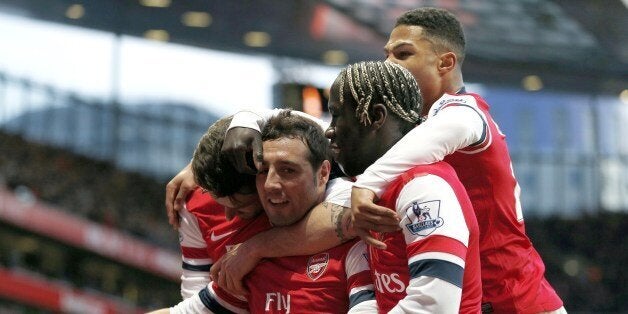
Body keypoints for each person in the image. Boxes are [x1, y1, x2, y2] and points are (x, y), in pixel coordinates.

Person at [349, 8, 565, 314]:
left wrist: (366, 185)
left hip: (515, 301)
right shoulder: (419, 128)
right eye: (387, 54)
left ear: (445, 63)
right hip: (480, 300)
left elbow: (444, 132)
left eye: (403, 54)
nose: (388, 65)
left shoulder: (465, 112)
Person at [154, 112, 376, 313]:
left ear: (323, 174)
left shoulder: (355, 204)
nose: (229, 217)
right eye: (264, 172)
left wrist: (254, 248)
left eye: (287, 171)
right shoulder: (238, 263)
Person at [325, 60, 481, 313]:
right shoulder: (377, 191)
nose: (329, 131)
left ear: (375, 117)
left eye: (335, 115)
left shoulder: (422, 187)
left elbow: (433, 306)